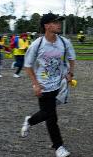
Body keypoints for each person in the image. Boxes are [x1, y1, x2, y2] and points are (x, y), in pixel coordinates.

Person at [21, 13, 76, 157]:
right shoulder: (37, 44)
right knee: (51, 115)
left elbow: (71, 59)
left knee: (49, 115)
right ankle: (58, 147)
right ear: (47, 26)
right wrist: (35, 84)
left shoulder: (64, 42)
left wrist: (70, 74)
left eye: (59, 22)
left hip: (59, 84)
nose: (59, 24)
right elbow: (27, 65)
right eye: (55, 22)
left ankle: (31, 121)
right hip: (43, 85)